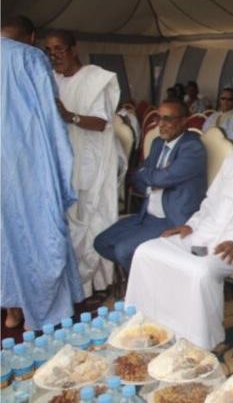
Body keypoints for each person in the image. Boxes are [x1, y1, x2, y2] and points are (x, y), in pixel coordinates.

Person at [126, 107, 233, 350]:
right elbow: (210, 201)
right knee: (146, 252)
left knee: (200, 272)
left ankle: (200, 343)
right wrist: (190, 225)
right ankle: (152, 328)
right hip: (205, 231)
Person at [1, 31, 85, 330]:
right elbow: (51, 118)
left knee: (5, 237)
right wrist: (61, 169)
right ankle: (41, 312)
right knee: (37, 234)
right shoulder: (29, 57)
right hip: (26, 162)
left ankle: (11, 309)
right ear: (31, 36)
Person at [45, 29, 122, 298]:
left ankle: (94, 284)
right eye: (49, 51)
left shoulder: (95, 78)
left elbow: (101, 123)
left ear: (73, 49)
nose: (54, 55)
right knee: (66, 222)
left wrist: (71, 117)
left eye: (59, 49)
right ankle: (71, 282)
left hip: (91, 161)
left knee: (91, 219)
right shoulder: (52, 79)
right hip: (62, 160)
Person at [94, 100, 207, 273]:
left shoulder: (192, 147)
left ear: (184, 121)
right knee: (101, 242)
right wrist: (152, 180)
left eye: (167, 119)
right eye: (158, 118)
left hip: (170, 220)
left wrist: (151, 177)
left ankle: (145, 284)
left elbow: (163, 178)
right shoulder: (158, 143)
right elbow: (136, 177)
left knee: (123, 251)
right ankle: (145, 278)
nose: (160, 124)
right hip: (146, 216)